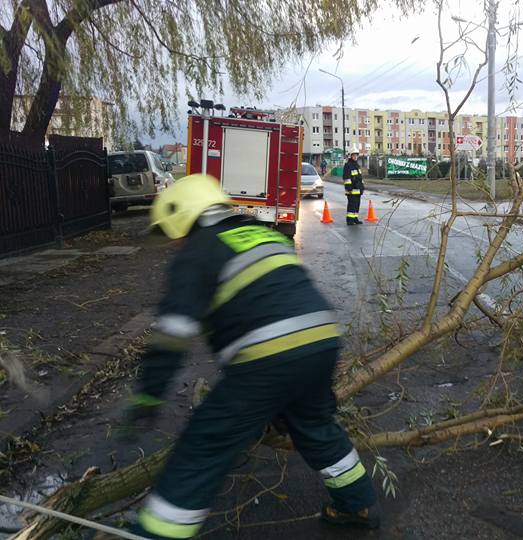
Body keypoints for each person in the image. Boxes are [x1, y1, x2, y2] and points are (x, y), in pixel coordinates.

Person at [117, 174, 379, 538]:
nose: (173, 244)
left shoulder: (198, 251)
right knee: (316, 427)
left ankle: (156, 533)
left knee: (204, 445)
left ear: (183, 216)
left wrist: (149, 394)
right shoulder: (264, 233)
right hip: (322, 338)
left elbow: (173, 334)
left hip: (267, 355)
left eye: (171, 234)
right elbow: (280, 294)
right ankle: (356, 504)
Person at [342, 147, 364, 225]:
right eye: (354, 155)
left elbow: (360, 178)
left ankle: (355, 218)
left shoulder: (357, 165)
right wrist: (349, 188)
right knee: (352, 205)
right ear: (351, 156)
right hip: (351, 190)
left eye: (356, 155)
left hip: (357, 189)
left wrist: (362, 187)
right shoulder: (348, 165)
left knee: (357, 205)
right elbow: (346, 178)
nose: (355, 157)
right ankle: (350, 220)